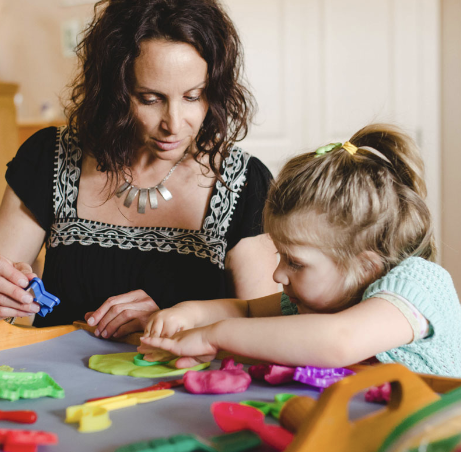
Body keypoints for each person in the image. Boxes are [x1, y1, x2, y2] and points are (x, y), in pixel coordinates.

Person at [0, 0, 279, 337]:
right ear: (114, 91)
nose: (174, 124)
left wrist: (171, 322)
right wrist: (8, 297)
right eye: (150, 99)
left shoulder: (244, 183)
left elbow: (266, 330)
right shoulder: (49, 157)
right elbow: (6, 305)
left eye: (193, 96)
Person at [138, 123, 461, 377]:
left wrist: (214, 336)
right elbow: (247, 311)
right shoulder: (314, 302)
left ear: (366, 267)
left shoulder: (417, 287)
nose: (278, 275)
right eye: (280, 256)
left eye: (294, 262)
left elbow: (339, 341)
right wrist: (189, 314)